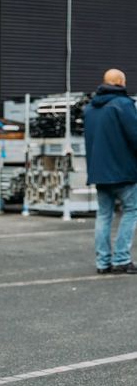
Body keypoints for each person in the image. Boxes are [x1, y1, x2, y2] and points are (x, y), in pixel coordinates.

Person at [84, 68, 137, 274]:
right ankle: (122, 259)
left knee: (104, 215)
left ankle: (102, 262)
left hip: (99, 173)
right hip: (123, 171)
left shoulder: (90, 108)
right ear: (121, 81)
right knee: (131, 211)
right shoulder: (122, 105)